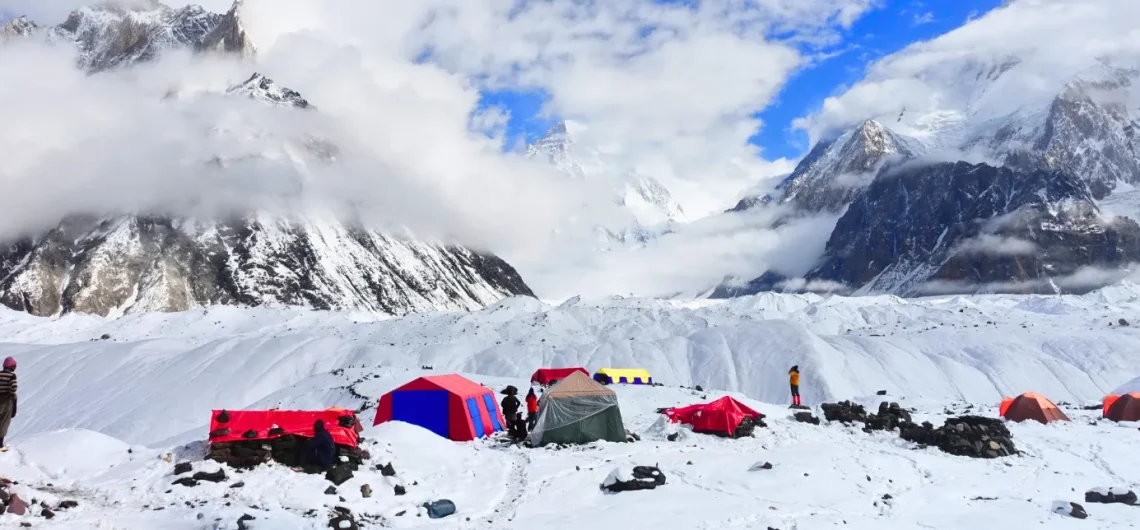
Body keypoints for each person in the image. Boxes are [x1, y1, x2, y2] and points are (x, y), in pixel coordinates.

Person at [0, 357, 16, 450]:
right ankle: (0, 445)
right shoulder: (11, 376)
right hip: (7, 401)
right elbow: (13, 388)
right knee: (4, 422)